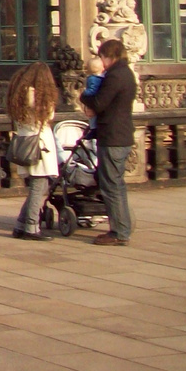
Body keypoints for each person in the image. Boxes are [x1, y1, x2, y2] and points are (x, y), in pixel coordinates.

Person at [82, 38, 135, 246]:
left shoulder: (114, 76)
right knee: (117, 184)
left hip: (112, 136)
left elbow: (99, 102)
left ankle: (119, 232)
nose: (101, 62)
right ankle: (123, 227)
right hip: (122, 135)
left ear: (109, 56)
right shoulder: (127, 73)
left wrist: (83, 97)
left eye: (102, 57)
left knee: (111, 185)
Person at [6, 62, 60, 241]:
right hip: (40, 146)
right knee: (38, 188)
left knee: (37, 188)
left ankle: (21, 225)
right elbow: (49, 116)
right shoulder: (38, 96)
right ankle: (31, 227)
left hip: (25, 143)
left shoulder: (19, 94)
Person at [81, 55, 105, 137]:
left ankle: (93, 130)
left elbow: (92, 90)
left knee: (92, 118)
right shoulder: (101, 77)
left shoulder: (92, 78)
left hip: (93, 99)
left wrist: (85, 92)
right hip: (96, 99)